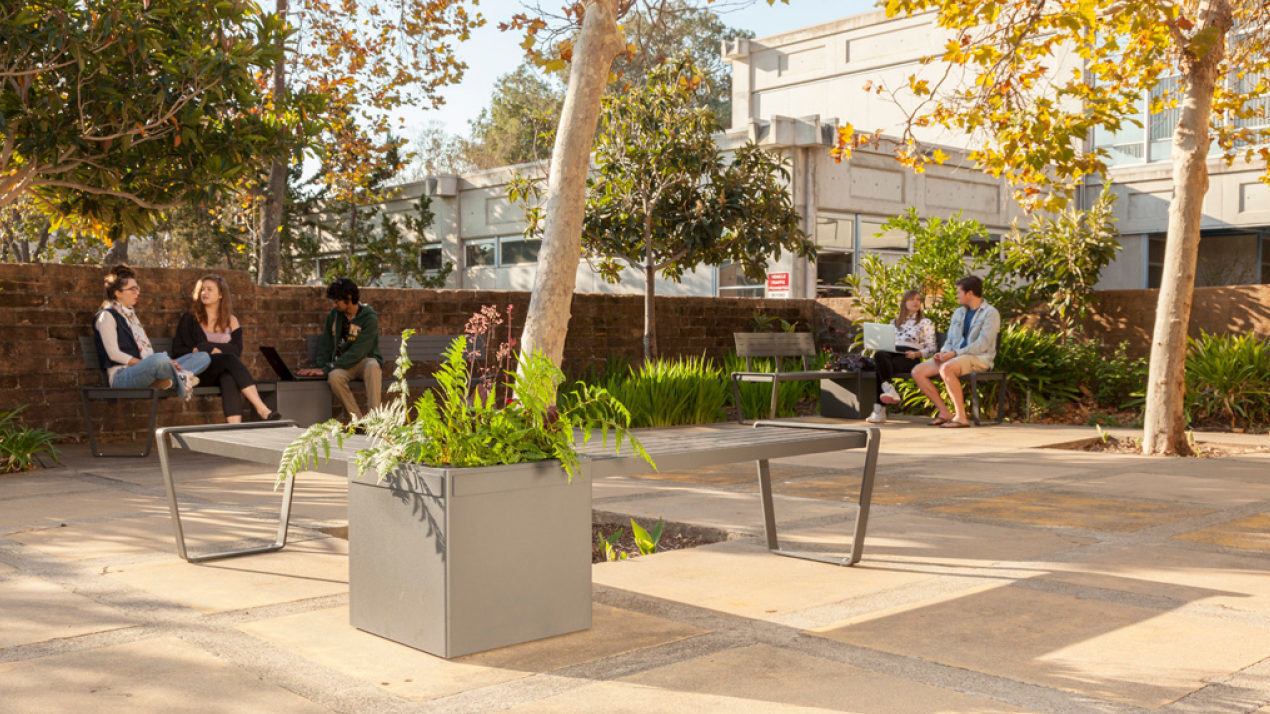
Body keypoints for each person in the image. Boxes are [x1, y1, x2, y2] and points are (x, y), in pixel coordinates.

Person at [172, 275, 280, 423]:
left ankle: (235, 428)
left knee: (228, 376)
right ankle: (261, 408)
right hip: (199, 374)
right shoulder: (190, 318)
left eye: (210, 289)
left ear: (221, 294)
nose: (205, 293)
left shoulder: (231, 320)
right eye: (202, 289)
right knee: (228, 359)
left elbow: (237, 350)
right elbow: (178, 350)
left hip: (222, 370)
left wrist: (210, 348)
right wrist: (208, 350)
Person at [92, 264, 209, 399]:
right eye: (132, 289)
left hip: (146, 370)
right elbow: (113, 354)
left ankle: (168, 380)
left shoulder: (130, 316)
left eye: (137, 288)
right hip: (122, 376)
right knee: (159, 360)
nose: (137, 292)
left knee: (203, 357)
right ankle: (179, 379)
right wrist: (157, 363)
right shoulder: (106, 316)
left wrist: (166, 363)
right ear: (117, 293)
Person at [910, 275, 1001, 428]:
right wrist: (943, 352)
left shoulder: (990, 313)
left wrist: (954, 354)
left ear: (970, 293)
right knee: (918, 371)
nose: (957, 295)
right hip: (956, 357)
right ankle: (944, 412)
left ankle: (961, 417)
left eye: (959, 292)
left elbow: (982, 345)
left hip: (979, 358)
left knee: (947, 368)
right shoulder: (959, 313)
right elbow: (950, 340)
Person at [297, 278, 382, 419]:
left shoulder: (369, 318)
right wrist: (321, 368)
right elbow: (326, 343)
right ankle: (358, 421)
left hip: (363, 361)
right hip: (343, 365)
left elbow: (359, 352)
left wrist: (328, 367)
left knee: (373, 366)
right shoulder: (334, 316)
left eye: (336, 301)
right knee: (334, 377)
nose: (334, 305)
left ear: (348, 298)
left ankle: (377, 420)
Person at [865, 289, 938, 424]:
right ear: (904, 302)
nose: (915, 302)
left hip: (910, 357)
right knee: (880, 354)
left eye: (918, 299)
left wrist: (917, 354)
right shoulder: (894, 322)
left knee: (879, 368)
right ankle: (888, 390)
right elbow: (888, 343)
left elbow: (932, 348)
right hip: (892, 354)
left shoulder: (925, 322)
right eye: (912, 299)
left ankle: (879, 410)